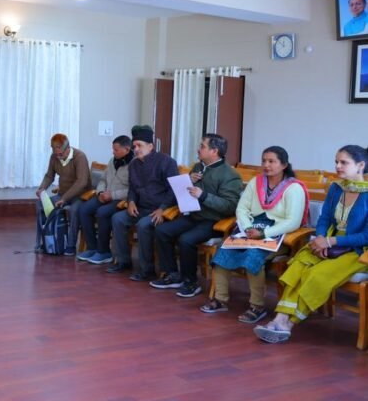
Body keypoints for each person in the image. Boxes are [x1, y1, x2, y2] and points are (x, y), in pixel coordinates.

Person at [254, 145, 368, 344]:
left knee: (316, 274)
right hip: (328, 241)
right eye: (336, 162)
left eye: (344, 162)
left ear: (360, 165)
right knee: (298, 265)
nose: (338, 166)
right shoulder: (336, 188)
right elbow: (324, 219)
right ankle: (280, 318)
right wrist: (320, 239)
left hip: (357, 251)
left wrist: (331, 241)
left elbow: (365, 236)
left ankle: (289, 323)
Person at [202, 146, 308, 323]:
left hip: (278, 235)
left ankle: (257, 306)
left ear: (284, 165)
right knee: (223, 249)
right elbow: (242, 209)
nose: (266, 165)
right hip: (251, 230)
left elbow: (293, 222)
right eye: (264, 161)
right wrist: (247, 228)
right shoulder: (256, 182)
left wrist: (264, 233)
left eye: (272, 161)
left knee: (253, 255)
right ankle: (220, 299)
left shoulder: (294, 188)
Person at [151, 134, 243, 298]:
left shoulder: (230, 175)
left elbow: (230, 206)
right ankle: (173, 275)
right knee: (162, 230)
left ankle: (191, 282)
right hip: (192, 215)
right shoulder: (198, 167)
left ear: (214, 151)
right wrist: (188, 181)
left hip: (213, 221)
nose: (198, 149)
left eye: (202, 146)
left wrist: (204, 196)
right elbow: (185, 193)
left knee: (186, 239)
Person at [109, 125, 179, 279]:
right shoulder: (134, 164)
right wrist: (131, 201)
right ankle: (123, 261)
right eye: (134, 146)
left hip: (160, 210)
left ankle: (147, 270)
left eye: (139, 146)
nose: (136, 149)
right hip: (140, 208)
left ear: (150, 146)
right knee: (118, 218)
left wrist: (162, 209)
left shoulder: (167, 162)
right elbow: (132, 188)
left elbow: (173, 190)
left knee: (143, 225)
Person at [76, 135, 132, 265]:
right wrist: (101, 192)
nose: (113, 152)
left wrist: (112, 195)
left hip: (120, 199)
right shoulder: (113, 161)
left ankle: (104, 252)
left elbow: (132, 190)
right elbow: (103, 179)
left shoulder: (134, 165)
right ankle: (92, 248)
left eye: (116, 150)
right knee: (84, 209)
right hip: (104, 195)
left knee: (102, 212)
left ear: (127, 149)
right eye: (113, 149)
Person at [34, 134, 92, 256]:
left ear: (67, 148)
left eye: (60, 154)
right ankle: (44, 240)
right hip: (63, 194)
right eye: (55, 153)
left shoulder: (79, 157)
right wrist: (42, 188)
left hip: (80, 195)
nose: (58, 156)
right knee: (40, 205)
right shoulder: (54, 157)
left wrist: (64, 198)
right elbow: (49, 175)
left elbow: (81, 182)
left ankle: (71, 246)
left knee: (74, 210)